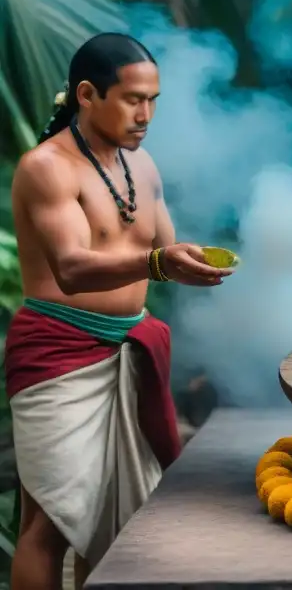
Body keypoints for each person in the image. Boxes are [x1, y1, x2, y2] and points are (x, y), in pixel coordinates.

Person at [5, 33, 235, 590]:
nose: (146, 113)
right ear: (87, 94)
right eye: (133, 98)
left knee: (119, 516)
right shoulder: (48, 168)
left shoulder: (143, 165)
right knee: (51, 521)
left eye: (154, 100)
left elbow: (162, 249)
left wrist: (195, 262)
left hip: (128, 346)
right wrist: (160, 263)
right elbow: (73, 268)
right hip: (59, 352)